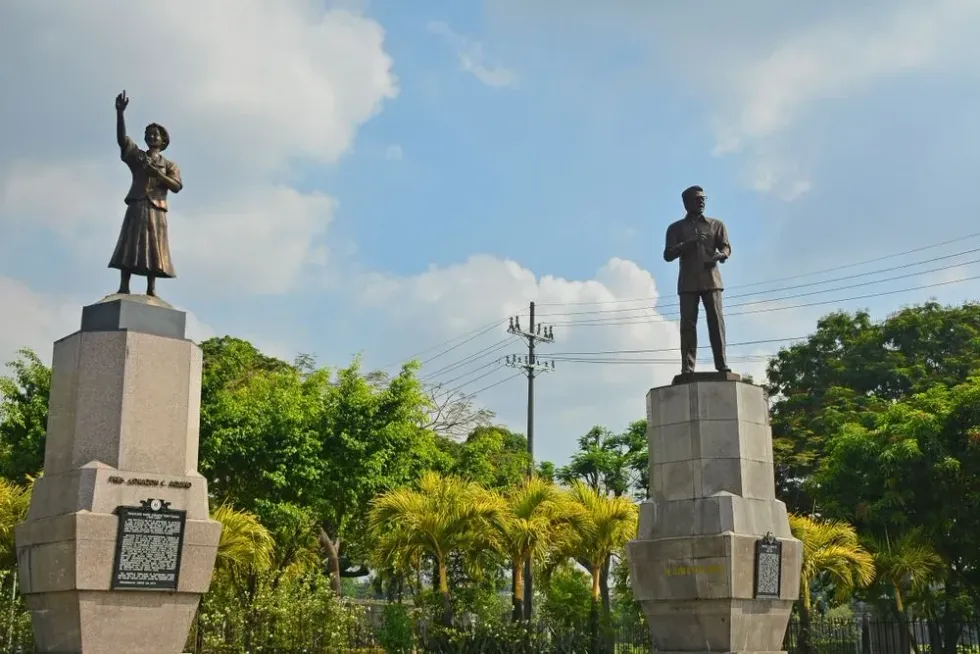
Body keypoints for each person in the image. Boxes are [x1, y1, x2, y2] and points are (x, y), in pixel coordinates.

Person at [108, 90, 183, 297]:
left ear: (163, 140)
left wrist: (157, 173)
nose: (152, 137)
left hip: (156, 208)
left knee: (154, 246)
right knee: (130, 242)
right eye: (149, 134)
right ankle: (124, 285)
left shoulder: (169, 164)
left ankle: (151, 288)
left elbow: (176, 186)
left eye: (156, 134)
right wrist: (120, 114)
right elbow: (122, 141)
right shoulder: (138, 157)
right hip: (137, 204)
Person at [663, 185, 731, 375]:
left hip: (712, 280)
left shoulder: (716, 225)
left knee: (716, 323)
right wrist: (687, 244)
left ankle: (722, 364)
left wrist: (722, 255)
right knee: (688, 325)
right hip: (688, 282)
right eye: (696, 199)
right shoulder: (676, 228)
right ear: (686, 203)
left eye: (703, 198)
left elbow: (726, 247)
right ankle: (688, 367)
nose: (701, 201)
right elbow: (668, 255)